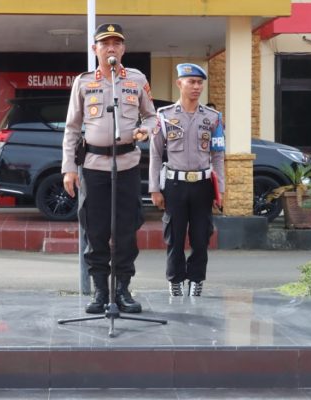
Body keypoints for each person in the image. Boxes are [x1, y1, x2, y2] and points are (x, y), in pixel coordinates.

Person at [62, 23, 157, 314]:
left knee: (127, 230)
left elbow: (153, 118)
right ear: (95, 49)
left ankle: (123, 290)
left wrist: (145, 130)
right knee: (97, 230)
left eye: (116, 43)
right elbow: (72, 128)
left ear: (123, 49)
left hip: (127, 165)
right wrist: (69, 168)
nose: (111, 48)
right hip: (93, 167)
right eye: (105, 44)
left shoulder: (136, 80)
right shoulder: (84, 81)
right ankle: (101, 291)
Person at [148, 63, 225, 297]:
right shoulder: (165, 116)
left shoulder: (213, 118)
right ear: (179, 83)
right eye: (191, 82)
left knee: (201, 236)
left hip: (202, 185)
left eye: (200, 82)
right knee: (175, 235)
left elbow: (218, 155)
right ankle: (175, 279)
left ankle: (196, 279)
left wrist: (220, 189)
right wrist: (154, 188)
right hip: (174, 185)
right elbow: (155, 153)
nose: (196, 87)